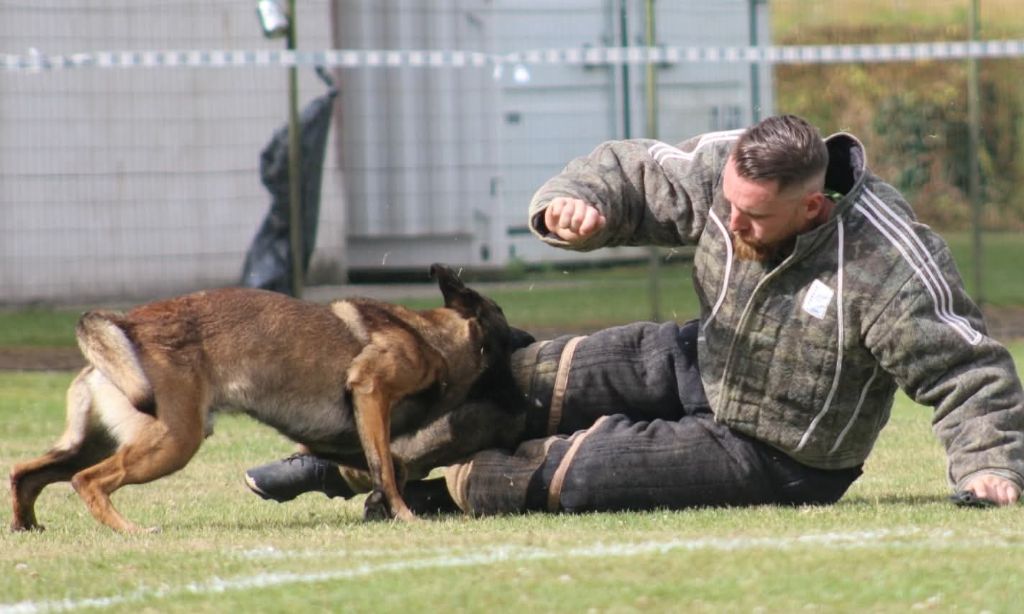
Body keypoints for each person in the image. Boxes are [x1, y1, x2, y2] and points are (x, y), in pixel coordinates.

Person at [246, 114, 1023, 514]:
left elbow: (967, 368)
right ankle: (343, 464)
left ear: (813, 207)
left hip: (781, 450)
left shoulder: (888, 264)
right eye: (727, 206)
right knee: (521, 376)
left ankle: (428, 492)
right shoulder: (731, 173)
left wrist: (988, 465)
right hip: (703, 355)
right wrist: (575, 204)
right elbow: (636, 170)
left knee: (581, 470)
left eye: (753, 218)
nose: (730, 222)